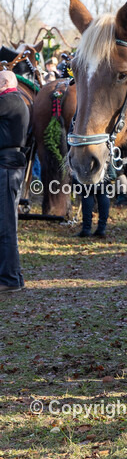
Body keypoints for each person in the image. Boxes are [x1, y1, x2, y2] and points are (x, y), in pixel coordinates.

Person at [0, 70, 29, 294]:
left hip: (7, 167)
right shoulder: (13, 100)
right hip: (10, 165)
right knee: (7, 223)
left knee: (6, 224)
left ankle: (10, 278)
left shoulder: (9, 100)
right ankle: (13, 276)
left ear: (4, 83)